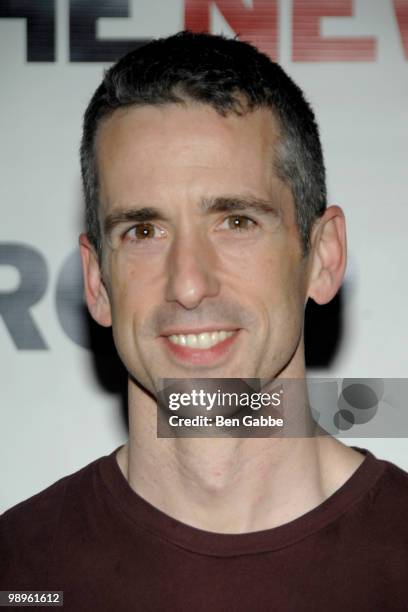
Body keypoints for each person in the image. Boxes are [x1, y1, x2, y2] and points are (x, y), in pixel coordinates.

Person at [1, 31, 407, 611]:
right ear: (97, 282)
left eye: (236, 221)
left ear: (322, 257)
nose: (189, 284)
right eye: (143, 231)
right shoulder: (18, 566)